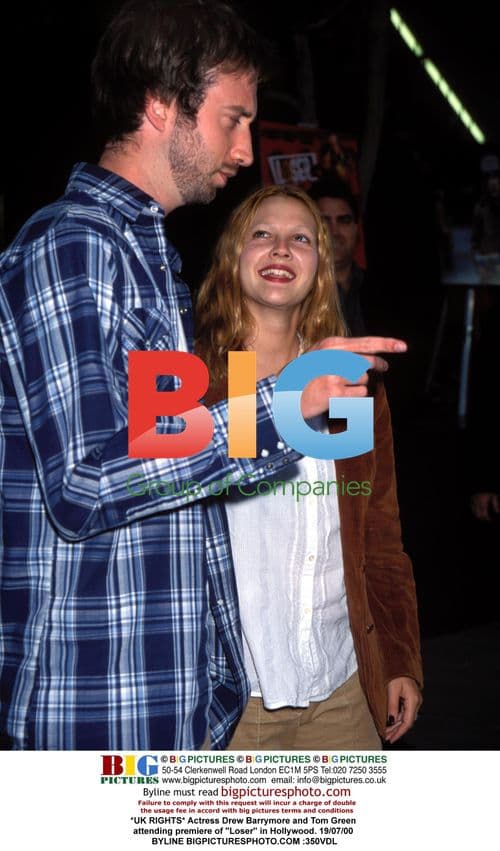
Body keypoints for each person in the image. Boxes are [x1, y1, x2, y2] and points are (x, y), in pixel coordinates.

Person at [0, 0, 407, 750]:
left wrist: (397, 652)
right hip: (100, 703)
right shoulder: (78, 248)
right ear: (161, 107)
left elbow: (361, 512)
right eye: (234, 118)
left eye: (304, 238)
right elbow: (86, 483)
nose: (248, 148)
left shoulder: (149, 264)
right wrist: (284, 407)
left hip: (198, 695)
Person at [196, 184, 423, 749]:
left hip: (342, 689)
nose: (280, 249)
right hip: (227, 704)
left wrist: (398, 657)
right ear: (232, 255)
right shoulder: (194, 380)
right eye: (262, 235)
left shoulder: (349, 385)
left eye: (300, 238)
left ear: (321, 266)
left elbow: (379, 536)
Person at [309, 177, 366, 335]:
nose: (334, 232)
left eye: (344, 221)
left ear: (356, 229)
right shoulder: (289, 291)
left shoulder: (385, 290)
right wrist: (242, 361)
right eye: (324, 222)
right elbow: (244, 347)